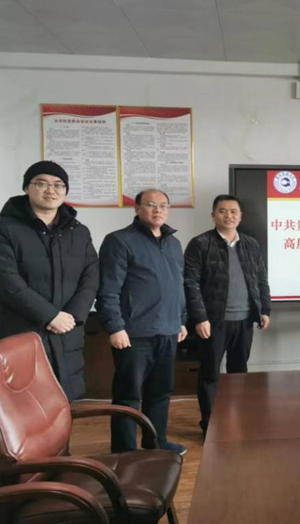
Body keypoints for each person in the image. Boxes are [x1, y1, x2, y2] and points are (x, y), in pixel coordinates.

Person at [0, 161, 98, 401]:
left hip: (67, 331)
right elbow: (5, 280)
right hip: (22, 329)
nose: (51, 190)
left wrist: (73, 316)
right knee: (25, 402)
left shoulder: (79, 232)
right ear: (27, 188)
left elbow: (91, 275)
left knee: (65, 402)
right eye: (41, 183)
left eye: (58, 185)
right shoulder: (3, 229)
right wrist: (50, 315)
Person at [96, 189, 188, 455]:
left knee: (160, 392)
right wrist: (115, 326)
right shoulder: (119, 241)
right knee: (128, 396)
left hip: (168, 329)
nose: (158, 210)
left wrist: (181, 320)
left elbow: (177, 285)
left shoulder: (173, 243)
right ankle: (124, 451)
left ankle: (156, 442)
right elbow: (108, 289)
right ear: (136, 209)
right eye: (151, 204)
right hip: (134, 333)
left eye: (164, 205)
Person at [184, 194, 271, 436]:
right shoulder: (200, 244)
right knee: (210, 375)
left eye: (233, 211)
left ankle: (239, 420)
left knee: (239, 373)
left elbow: (261, 279)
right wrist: (200, 317)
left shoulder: (251, 244)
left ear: (240, 216)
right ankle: (210, 426)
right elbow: (190, 283)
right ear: (213, 215)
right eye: (222, 211)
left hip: (244, 321)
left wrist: (264, 309)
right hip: (213, 322)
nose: (228, 215)